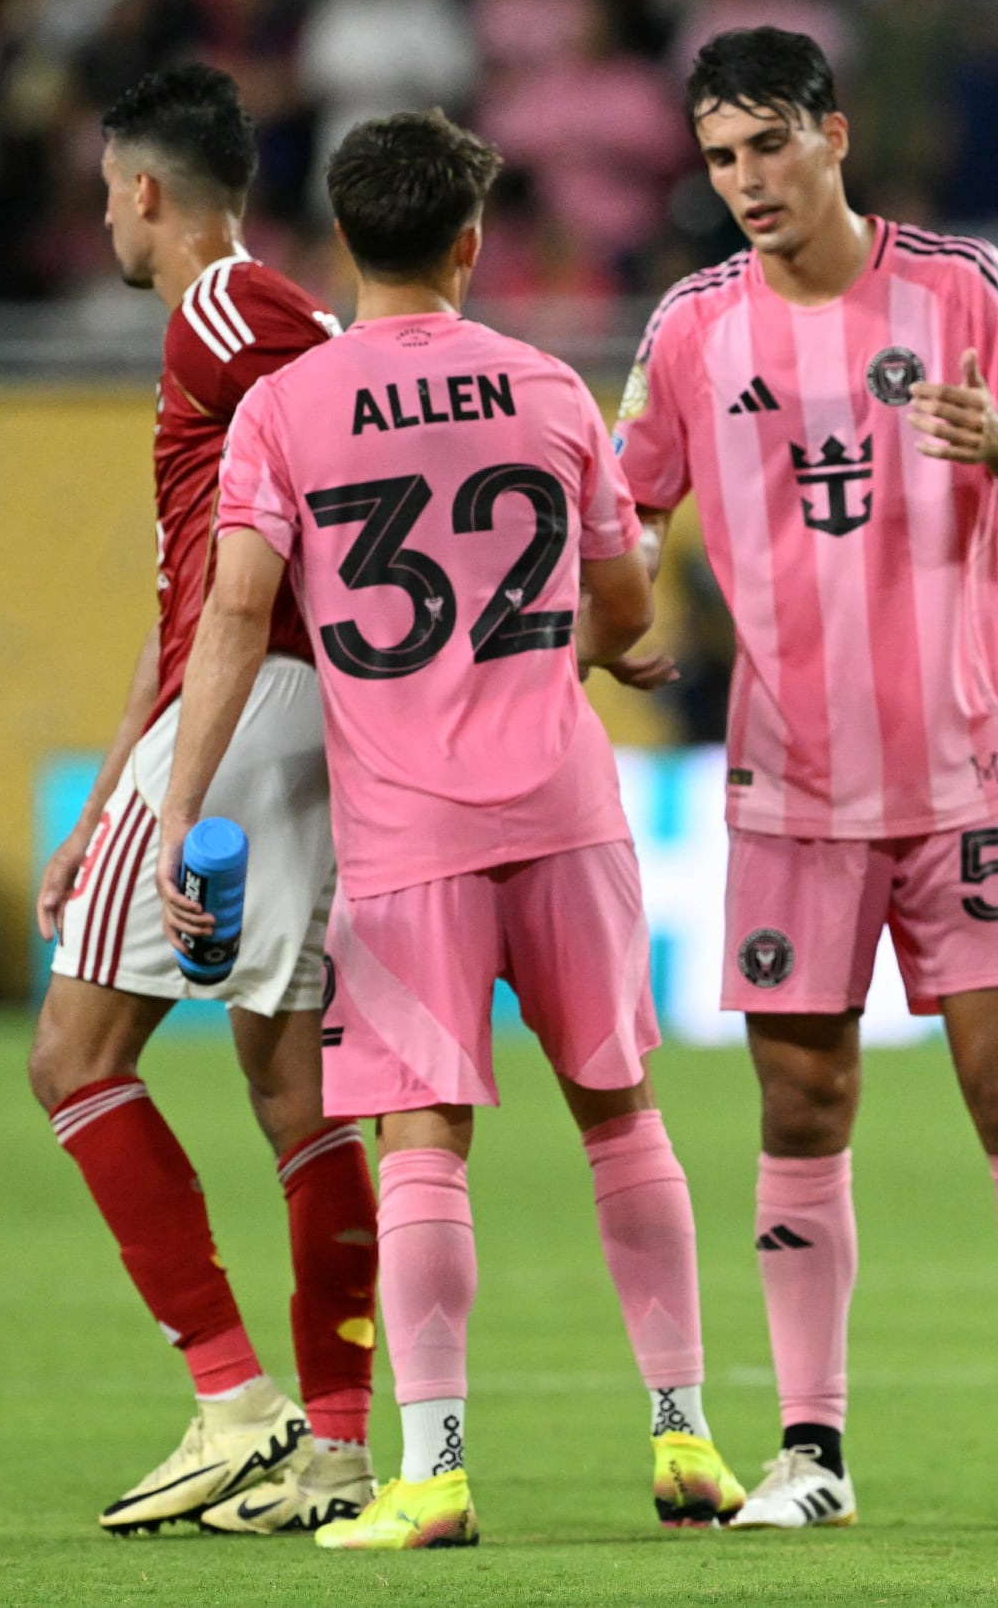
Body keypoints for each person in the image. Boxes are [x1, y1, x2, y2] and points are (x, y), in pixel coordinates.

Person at [158, 108, 744, 1551]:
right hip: (563, 805)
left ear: (341, 242)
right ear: (474, 242)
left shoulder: (283, 413)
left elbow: (236, 613)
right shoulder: (546, 388)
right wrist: (600, 647)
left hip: (408, 830)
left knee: (423, 1139)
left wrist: (183, 806)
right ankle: (684, 1437)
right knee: (621, 1114)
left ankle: (434, 1472)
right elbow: (622, 602)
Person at [614, 27, 998, 1530]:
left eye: (769, 145)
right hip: (785, 788)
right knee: (802, 1102)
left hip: (965, 776)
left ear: (833, 135)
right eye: (720, 158)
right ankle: (812, 1452)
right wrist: (614, 617)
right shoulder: (693, 326)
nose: (746, 181)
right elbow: (625, 508)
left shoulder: (964, 289)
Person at [25, 64, 377, 1537]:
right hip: (264, 714)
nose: (104, 213)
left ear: (150, 191)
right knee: (292, 1086)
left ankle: (234, 1402)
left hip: (249, 719)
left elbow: (368, 407)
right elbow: (188, 598)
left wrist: (166, 793)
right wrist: (107, 798)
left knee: (73, 1056)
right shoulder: (212, 335)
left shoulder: (229, 308)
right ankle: (339, 1450)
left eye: (110, 189)